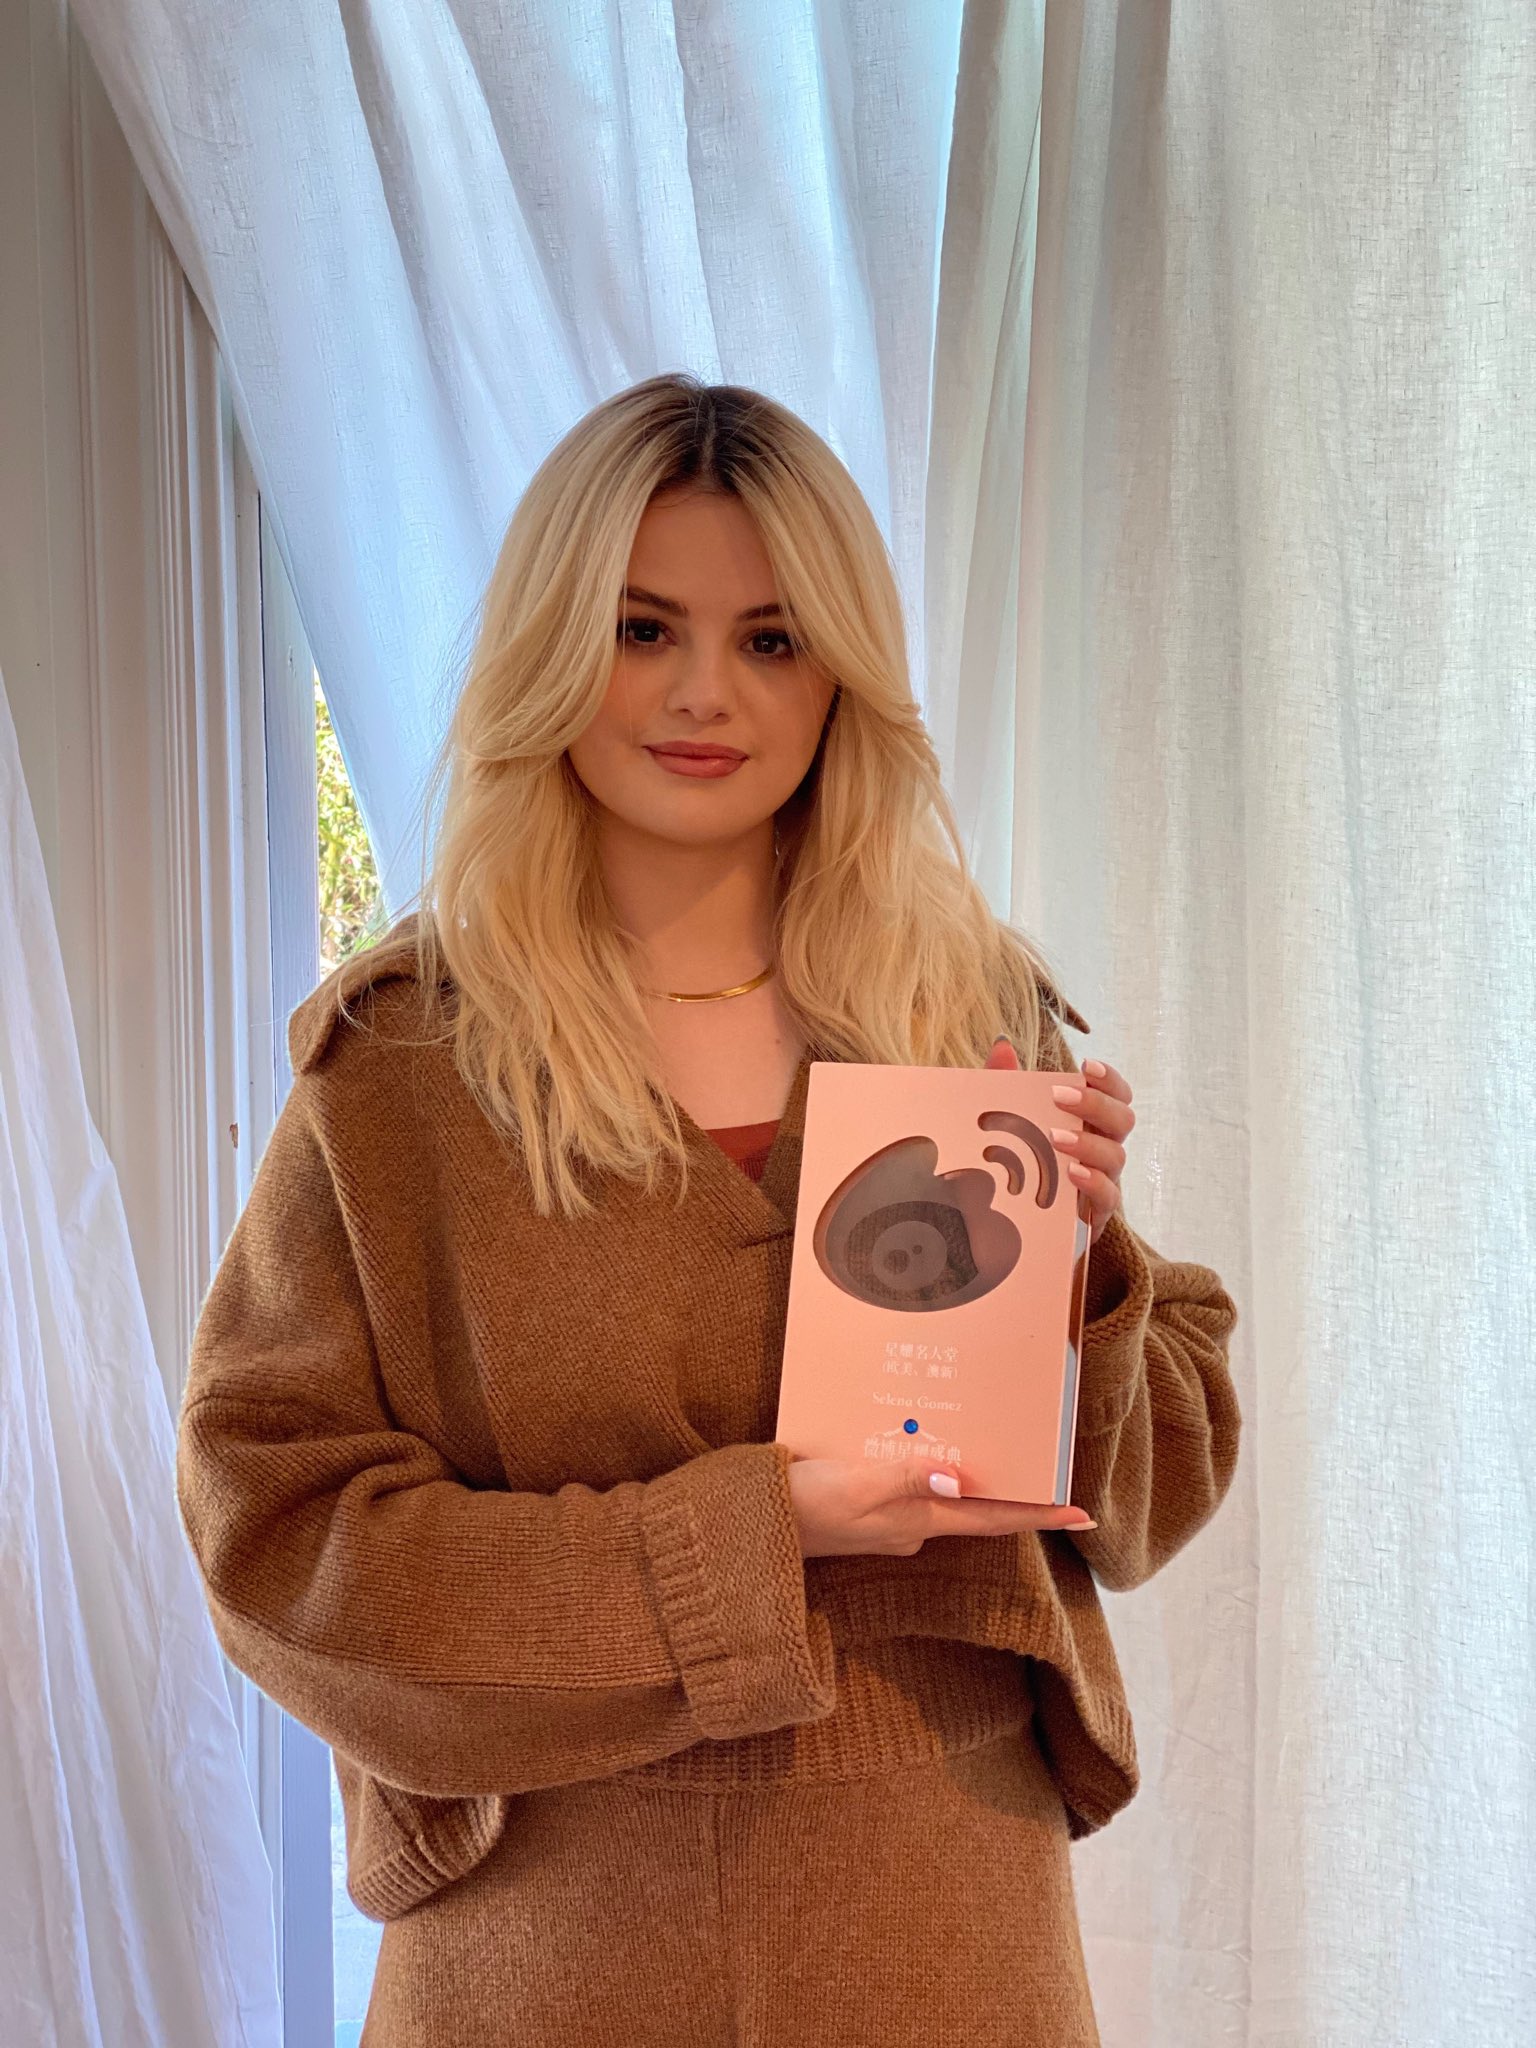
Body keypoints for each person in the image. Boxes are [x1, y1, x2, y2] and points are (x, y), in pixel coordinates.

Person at [176, 374, 1241, 2047]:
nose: (703, 693)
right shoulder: (399, 1072)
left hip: (944, 1906)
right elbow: (277, 1539)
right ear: (552, 646)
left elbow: (1151, 1492)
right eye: (642, 628)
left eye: (771, 638)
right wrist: (750, 1543)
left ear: (839, 677)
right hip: (544, 1930)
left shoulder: (966, 1016)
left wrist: (1083, 1266)